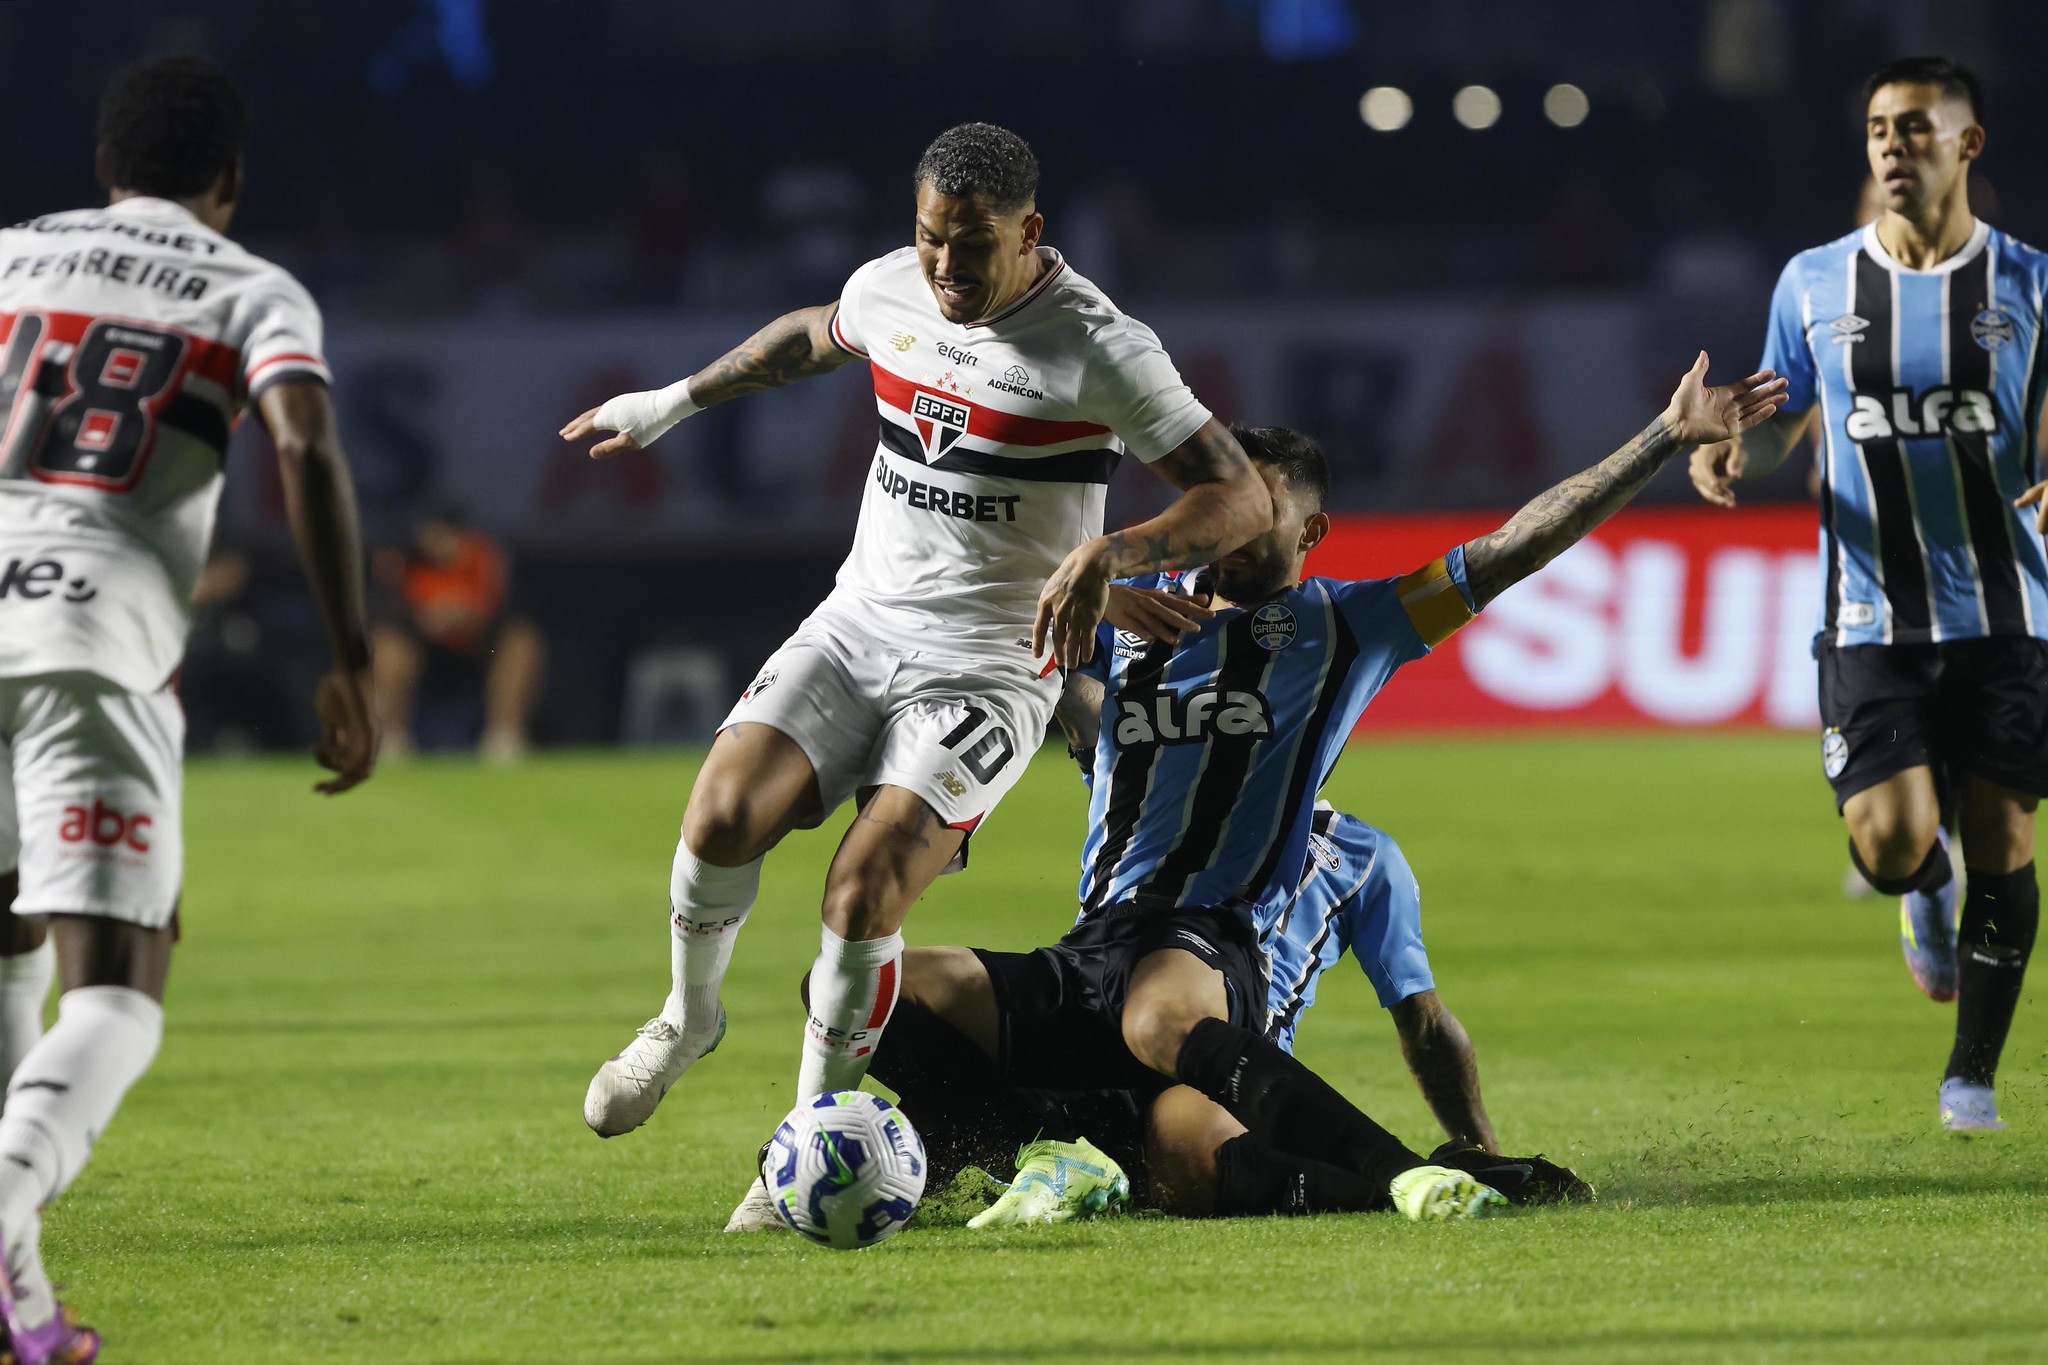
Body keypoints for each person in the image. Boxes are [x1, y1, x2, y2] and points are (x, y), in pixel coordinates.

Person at [842, 358, 1784, 1228]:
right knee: (860, 984)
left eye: (1256, 511)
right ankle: (1028, 1154)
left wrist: (1662, 438)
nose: (1226, 527)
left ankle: (1413, 1177)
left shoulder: (1345, 625)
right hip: (1091, 946)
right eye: (1217, 505)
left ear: (1311, 531)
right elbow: (1034, 678)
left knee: (1179, 1110)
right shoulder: (1137, 613)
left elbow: (1515, 547)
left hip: (1208, 949)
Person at [559, 123, 1272, 1230]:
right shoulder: (895, 288)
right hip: (859, 624)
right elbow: (807, 338)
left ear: (1030, 234)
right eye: (932, 238)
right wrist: (673, 401)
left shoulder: (1100, 346)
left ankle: (798, 1145)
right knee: (717, 818)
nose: (946, 267)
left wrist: (1111, 554)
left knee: (863, 888)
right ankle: (687, 1020)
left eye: (973, 245)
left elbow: (1238, 498)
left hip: (991, 665)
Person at [0, 56, 378, 1362]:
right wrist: (350, 655)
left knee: (8, 943)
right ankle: (0, 1211)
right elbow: (306, 442)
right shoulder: (245, 286)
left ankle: (23, 1300)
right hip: (88, 643)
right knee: (118, 982)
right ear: (228, 181)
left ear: (107, 165)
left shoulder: (9, 257)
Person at [1688, 57, 2048, 1132]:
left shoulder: (2028, 284)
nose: (1892, 146)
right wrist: (1724, 455)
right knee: (1895, 846)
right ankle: (1920, 896)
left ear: (1965, 145)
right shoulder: (1811, 282)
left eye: (1914, 128)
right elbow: (1763, 407)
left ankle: (1968, 1077)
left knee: (2003, 836)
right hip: (1866, 615)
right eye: (1877, 129)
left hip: (2006, 611)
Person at [371, 508, 544, 763]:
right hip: (423, 652)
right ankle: (391, 739)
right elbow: (382, 612)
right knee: (387, 646)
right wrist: (422, 619)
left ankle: (504, 738)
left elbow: (510, 610)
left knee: (522, 642)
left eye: (446, 535)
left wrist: (471, 618)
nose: (438, 542)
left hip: (479, 651)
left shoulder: (488, 557)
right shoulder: (403, 561)